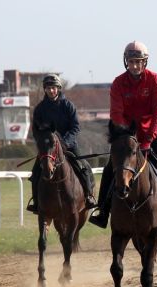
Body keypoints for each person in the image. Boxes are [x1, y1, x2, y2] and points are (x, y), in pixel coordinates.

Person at [88, 41, 157, 230]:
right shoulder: (118, 83)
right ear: (126, 62)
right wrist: (126, 136)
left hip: (152, 134)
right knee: (111, 169)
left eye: (138, 61)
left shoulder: (155, 80)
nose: (134, 65)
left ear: (145, 62)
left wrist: (148, 139)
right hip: (127, 136)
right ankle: (103, 212)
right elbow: (116, 113)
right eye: (131, 61)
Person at [26, 73, 97, 213]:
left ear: (58, 88)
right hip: (48, 148)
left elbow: (75, 127)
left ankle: (89, 196)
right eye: (48, 88)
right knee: (35, 172)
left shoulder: (68, 106)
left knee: (84, 166)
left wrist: (64, 142)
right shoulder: (40, 108)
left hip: (68, 145)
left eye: (53, 88)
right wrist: (43, 143)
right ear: (45, 89)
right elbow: (35, 130)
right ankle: (36, 202)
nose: (51, 90)